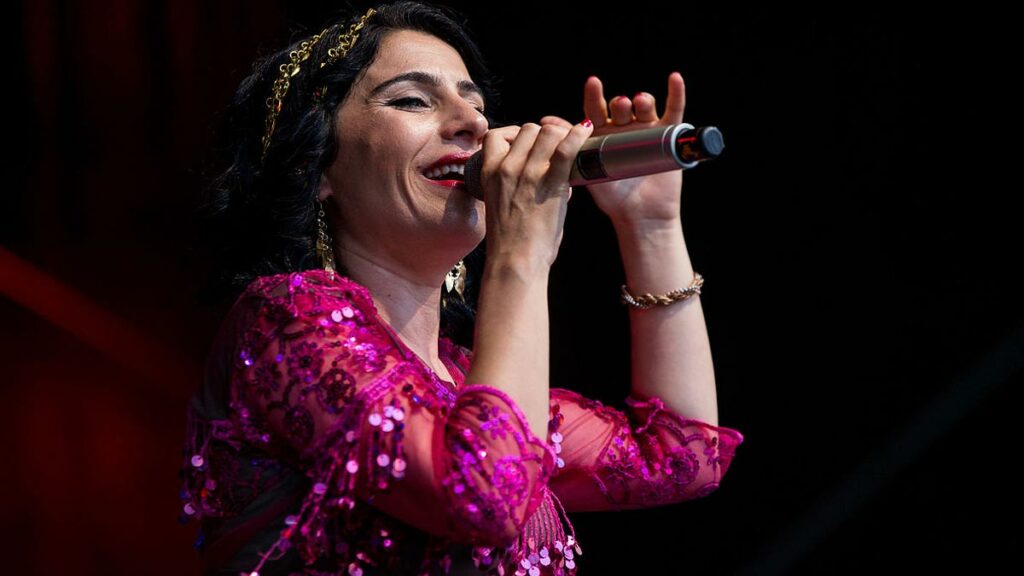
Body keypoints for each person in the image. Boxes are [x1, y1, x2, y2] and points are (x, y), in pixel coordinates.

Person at [179, 1, 745, 574]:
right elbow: (484, 494)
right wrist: (520, 253)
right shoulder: (286, 318)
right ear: (318, 165)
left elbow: (683, 458)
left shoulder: (462, 382)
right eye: (412, 100)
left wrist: (651, 228)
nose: (475, 126)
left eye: (476, 105)